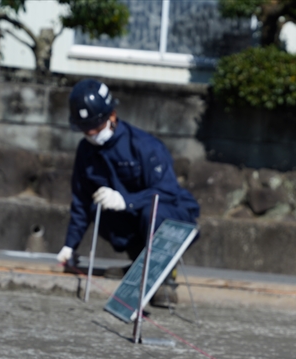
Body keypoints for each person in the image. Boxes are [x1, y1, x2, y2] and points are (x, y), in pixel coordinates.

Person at [56, 79, 200, 306]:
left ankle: (165, 277)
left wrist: (128, 200)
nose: (92, 134)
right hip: (132, 220)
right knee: (97, 207)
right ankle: (139, 264)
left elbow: (168, 190)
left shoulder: (144, 146)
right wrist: (69, 246)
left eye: (96, 127)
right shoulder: (86, 151)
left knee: (152, 211)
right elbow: (81, 200)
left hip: (172, 214)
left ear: (112, 116)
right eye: (86, 130)